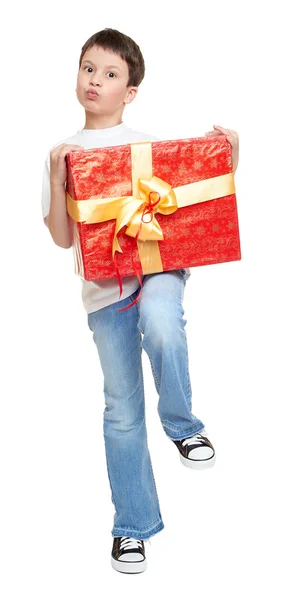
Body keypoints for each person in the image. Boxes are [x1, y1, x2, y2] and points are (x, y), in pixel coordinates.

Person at [41, 28, 239, 574]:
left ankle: (182, 422)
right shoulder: (63, 154)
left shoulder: (149, 145)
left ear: (130, 90)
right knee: (121, 410)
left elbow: (199, 202)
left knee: (162, 319)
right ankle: (132, 528)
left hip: (158, 269)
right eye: (88, 69)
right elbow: (63, 237)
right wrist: (59, 182)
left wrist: (232, 152)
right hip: (103, 292)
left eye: (110, 74)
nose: (95, 81)